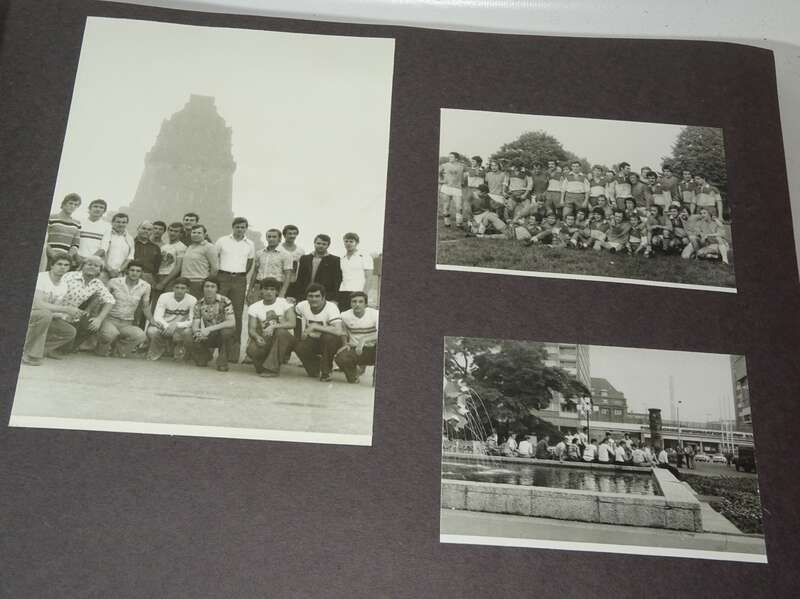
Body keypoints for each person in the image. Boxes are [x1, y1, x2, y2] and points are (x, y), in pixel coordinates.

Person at [21, 253, 82, 365]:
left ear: (69, 268)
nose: (62, 267)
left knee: (69, 331)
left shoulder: (63, 285)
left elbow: (53, 310)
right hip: (30, 314)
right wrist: (65, 309)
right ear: (52, 265)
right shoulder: (41, 278)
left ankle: (38, 350)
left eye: (66, 265)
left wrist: (67, 314)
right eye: (59, 264)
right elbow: (37, 304)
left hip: (45, 316)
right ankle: (28, 353)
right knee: (44, 315)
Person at [215, 217, 256, 358]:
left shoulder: (250, 244)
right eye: (237, 227)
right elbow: (215, 258)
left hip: (239, 279)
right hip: (223, 277)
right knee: (218, 310)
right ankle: (214, 348)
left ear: (246, 228)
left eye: (243, 227)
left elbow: (249, 263)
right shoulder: (222, 240)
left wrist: (240, 274)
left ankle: (233, 352)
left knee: (237, 313)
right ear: (233, 227)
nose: (240, 229)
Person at [59, 256, 116, 350]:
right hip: (58, 310)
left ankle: (69, 348)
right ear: (83, 266)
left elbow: (110, 301)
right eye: (89, 264)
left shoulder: (97, 283)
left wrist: (99, 319)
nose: (92, 267)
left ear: (99, 271)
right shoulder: (70, 276)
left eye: (96, 266)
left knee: (91, 325)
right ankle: (58, 347)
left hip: (73, 315)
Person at [98, 261, 152, 358]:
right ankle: (102, 348)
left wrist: (152, 320)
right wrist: (98, 317)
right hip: (110, 319)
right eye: (132, 270)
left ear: (141, 273)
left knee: (140, 336)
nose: (134, 273)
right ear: (127, 271)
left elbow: (145, 306)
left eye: (138, 271)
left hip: (127, 323)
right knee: (111, 334)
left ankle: (118, 349)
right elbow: (102, 299)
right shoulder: (114, 282)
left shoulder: (146, 286)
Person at [245, 278, 297, 377]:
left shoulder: (283, 303)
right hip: (266, 338)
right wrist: (257, 337)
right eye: (266, 289)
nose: (269, 292)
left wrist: (274, 326)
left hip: (284, 340)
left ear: (277, 291)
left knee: (281, 332)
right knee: (252, 349)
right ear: (261, 291)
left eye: (272, 289)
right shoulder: (254, 307)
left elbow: (292, 323)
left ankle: (272, 369)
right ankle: (268, 363)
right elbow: (251, 329)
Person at [293, 283, 344, 382]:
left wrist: (315, 326)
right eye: (310, 296)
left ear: (323, 297)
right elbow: (293, 314)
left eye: (317, 296)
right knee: (298, 345)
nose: (313, 299)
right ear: (306, 297)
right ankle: (316, 366)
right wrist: (300, 334)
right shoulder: (302, 306)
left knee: (328, 338)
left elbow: (338, 331)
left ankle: (326, 371)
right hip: (312, 340)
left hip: (331, 342)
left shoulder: (331, 308)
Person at [189, 277, 236, 371]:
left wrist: (209, 329)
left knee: (226, 332)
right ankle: (206, 355)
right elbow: (195, 322)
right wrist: (197, 332)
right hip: (208, 334)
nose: (209, 289)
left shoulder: (225, 301)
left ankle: (222, 361)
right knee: (190, 335)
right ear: (203, 288)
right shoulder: (199, 304)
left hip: (221, 332)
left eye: (212, 286)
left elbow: (231, 322)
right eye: (206, 286)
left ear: (217, 289)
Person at [146, 277, 196, 361]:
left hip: (179, 328)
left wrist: (176, 325)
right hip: (164, 327)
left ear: (187, 289)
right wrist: (168, 327)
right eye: (177, 287)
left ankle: (180, 350)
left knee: (187, 332)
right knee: (151, 331)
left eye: (183, 288)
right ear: (173, 288)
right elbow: (157, 316)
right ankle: (162, 349)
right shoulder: (164, 296)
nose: (179, 290)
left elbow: (192, 320)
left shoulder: (192, 300)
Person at [334, 291, 379, 384]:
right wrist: (345, 344)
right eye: (354, 302)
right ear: (350, 303)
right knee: (340, 358)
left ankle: (377, 377)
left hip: (373, 349)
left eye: (360, 302)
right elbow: (343, 332)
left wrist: (363, 340)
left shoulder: (375, 314)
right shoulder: (345, 315)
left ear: (366, 304)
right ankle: (354, 375)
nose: (357, 304)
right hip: (356, 349)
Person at [294, 235, 342, 306]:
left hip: (324, 296)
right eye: (318, 243)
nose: (321, 246)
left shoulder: (334, 260)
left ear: (328, 245)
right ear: (314, 243)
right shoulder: (305, 258)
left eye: (324, 244)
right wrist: (297, 296)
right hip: (305, 295)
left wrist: (335, 298)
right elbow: (300, 279)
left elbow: (337, 281)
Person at [251, 229, 293, 301]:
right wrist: (249, 291)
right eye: (269, 236)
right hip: (259, 286)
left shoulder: (286, 254)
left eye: (274, 237)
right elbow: (255, 272)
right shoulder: (259, 253)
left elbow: (288, 276)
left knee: (272, 310)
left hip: (275, 287)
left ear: (279, 239)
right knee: (256, 309)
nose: (271, 239)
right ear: (266, 238)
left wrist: (282, 293)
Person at [181, 224, 219, 299]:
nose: (196, 235)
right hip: (185, 282)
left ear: (204, 235)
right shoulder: (190, 247)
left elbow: (215, 268)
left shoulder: (209, 247)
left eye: (199, 233)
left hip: (199, 282)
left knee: (197, 306)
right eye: (194, 232)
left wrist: (206, 284)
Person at [46, 193, 82, 269]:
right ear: (64, 203)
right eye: (70, 203)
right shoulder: (51, 218)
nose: (73, 206)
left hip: (64, 262)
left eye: (76, 205)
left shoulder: (77, 224)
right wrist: (53, 255)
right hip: (47, 258)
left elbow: (75, 245)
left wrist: (67, 257)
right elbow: (44, 240)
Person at [338, 233, 372, 309]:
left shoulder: (365, 256)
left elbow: (369, 278)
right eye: (346, 241)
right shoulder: (342, 258)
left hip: (358, 292)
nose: (348, 244)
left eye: (351, 241)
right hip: (343, 291)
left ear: (356, 243)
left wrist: (364, 295)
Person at [153, 222, 187, 298]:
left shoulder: (181, 247)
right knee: (156, 302)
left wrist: (163, 283)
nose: (172, 233)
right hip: (159, 276)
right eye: (171, 230)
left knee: (168, 300)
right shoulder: (164, 246)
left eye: (176, 231)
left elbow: (178, 267)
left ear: (181, 234)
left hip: (170, 278)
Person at [77, 199, 111, 267]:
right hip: (76, 260)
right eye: (95, 206)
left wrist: (88, 260)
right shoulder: (79, 222)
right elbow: (73, 243)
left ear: (104, 211)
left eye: (101, 207)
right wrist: (78, 258)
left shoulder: (107, 226)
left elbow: (103, 248)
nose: (98, 209)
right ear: (89, 208)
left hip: (93, 263)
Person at [439, 152, 466, 228]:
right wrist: (441, 180)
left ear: (456, 158)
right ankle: (447, 223)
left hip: (457, 188)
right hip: (447, 188)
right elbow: (438, 173)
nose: (450, 158)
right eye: (449, 157)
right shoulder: (444, 165)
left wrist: (463, 182)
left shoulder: (462, 166)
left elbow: (469, 174)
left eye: (451, 157)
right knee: (446, 206)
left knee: (459, 207)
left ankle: (459, 224)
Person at [105, 212, 135, 279]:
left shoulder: (130, 239)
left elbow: (130, 257)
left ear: (127, 224)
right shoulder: (106, 235)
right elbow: (103, 253)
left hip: (120, 274)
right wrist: (109, 269)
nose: (121, 224)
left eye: (124, 222)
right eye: (118, 222)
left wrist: (119, 270)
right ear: (112, 223)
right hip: (104, 272)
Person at [280, 224, 305, 301]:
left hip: (293, 283)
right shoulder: (279, 249)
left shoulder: (300, 251)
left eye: (294, 234)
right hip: (279, 281)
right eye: (289, 233)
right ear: (284, 235)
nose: (292, 236)